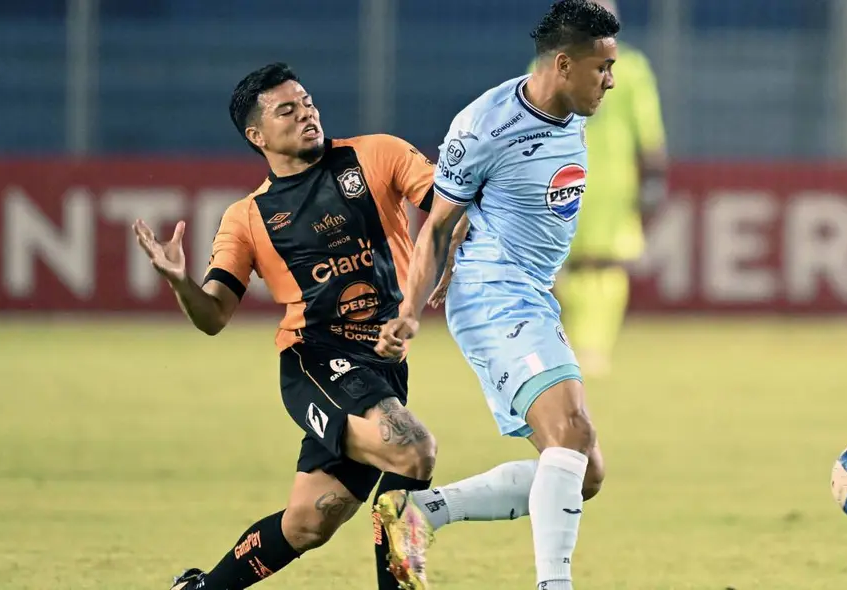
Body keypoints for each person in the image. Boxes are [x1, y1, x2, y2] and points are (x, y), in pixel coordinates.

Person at [132, 62, 439, 590]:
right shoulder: (246, 218)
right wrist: (181, 282)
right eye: (287, 110)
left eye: (308, 102)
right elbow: (213, 316)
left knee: (309, 522)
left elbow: (448, 213)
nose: (307, 115)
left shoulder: (377, 154)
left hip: (383, 367)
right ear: (257, 135)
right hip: (313, 362)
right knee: (412, 449)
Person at [372, 2, 619, 589]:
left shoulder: (572, 107)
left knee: (584, 472)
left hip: (530, 294)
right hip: (492, 297)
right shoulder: (484, 126)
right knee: (574, 431)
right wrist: (409, 311)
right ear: (563, 64)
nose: (611, 80)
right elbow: (435, 224)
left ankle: (418, 513)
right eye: (603, 68)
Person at [550, 0, 668, 377]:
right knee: (565, 262)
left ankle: (592, 345)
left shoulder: (629, 68)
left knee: (602, 262)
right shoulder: (626, 66)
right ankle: (575, 341)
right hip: (567, 176)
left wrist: (653, 177)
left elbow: (648, 133)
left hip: (604, 180)